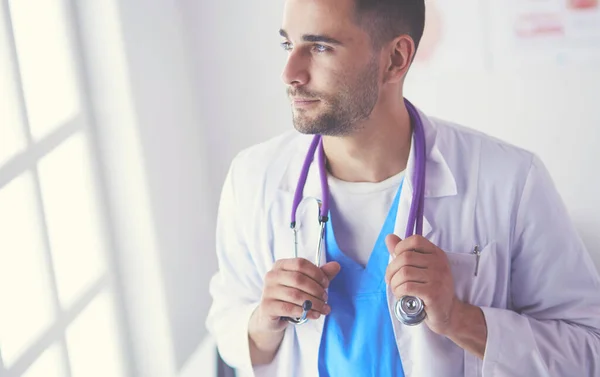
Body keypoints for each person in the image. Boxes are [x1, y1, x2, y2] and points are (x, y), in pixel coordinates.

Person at [205, 0, 600, 376]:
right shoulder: (253, 179)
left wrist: (460, 318)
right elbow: (227, 329)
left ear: (395, 59)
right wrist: (262, 321)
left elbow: (588, 351)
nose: (290, 72)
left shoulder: (510, 179)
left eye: (321, 46)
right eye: (288, 44)